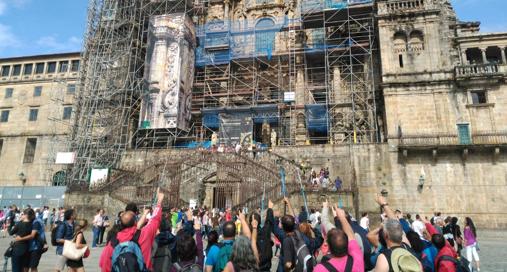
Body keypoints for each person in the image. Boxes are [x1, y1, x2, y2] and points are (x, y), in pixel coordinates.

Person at [99, 188, 164, 272]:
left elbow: (104, 265)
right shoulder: (144, 234)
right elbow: (155, 219)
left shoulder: (113, 241)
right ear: (135, 222)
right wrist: (159, 202)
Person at [314, 200, 364, 272]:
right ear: (347, 243)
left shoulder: (320, 269)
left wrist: (325, 207)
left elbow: (324, 220)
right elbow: (351, 236)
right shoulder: (357, 259)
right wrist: (342, 217)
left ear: (329, 247)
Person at [14, 208, 47, 272]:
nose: (23, 216)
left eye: (24, 214)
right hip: (28, 247)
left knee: (33, 267)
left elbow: (32, 235)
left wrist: (20, 238)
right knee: (25, 266)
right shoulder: (28, 221)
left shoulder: (36, 222)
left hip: (35, 247)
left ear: (28, 215)